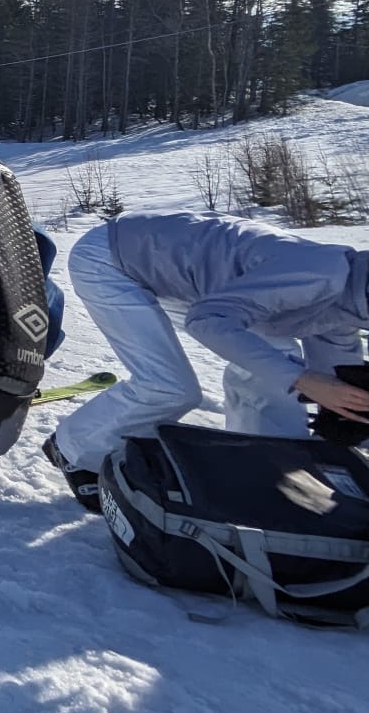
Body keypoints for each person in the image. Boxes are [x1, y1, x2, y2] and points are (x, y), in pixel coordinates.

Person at [43, 210, 369, 512]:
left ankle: (267, 473)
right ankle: (72, 448)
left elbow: (336, 387)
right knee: (169, 386)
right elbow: (207, 321)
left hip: (195, 282)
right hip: (113, 259)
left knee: (275, 367)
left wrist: (345, 419)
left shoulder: (344, 311)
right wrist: (305, 380)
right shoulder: (320, 275)